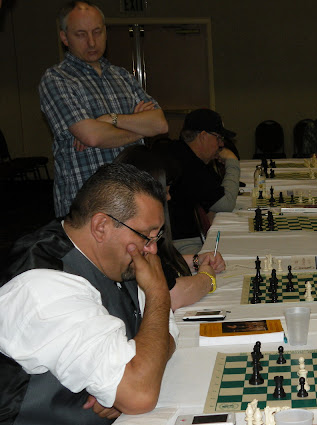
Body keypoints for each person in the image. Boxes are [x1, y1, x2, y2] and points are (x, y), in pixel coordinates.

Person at [0, 163, 178, 425]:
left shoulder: (115, 257)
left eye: (157, 236)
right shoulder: (43, 286)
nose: (152, 249)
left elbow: (168, 329)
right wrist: (158, 294)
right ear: (101, 226)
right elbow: (140, 394)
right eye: (146, 236)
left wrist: (129, 372)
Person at [39, 1, 168, 218]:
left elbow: (160, 124)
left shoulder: (123, 76)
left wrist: (111, 119)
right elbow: (92, 136)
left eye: (97, 32)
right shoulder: (57, 79)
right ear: (64, 38)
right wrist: (140, 129)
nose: (91, 42)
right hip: (87, 207)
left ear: (105, 32)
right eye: (81, 34)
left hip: (133, 202)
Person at [116, 144, 226, 310]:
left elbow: (163, 262)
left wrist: (197, 260)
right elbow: (171, 295)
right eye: (165, 191)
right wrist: (207, 278)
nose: (168, 197)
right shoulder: (134, 235)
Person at [161, 108, 240, 254]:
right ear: (203, 136)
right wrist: (232, 161)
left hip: (183, 239)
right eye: (218, 138)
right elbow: (225, 204)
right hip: (181, 245)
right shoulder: (189, 163)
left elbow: (218, 193)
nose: (221, 144)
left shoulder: (184, 154)